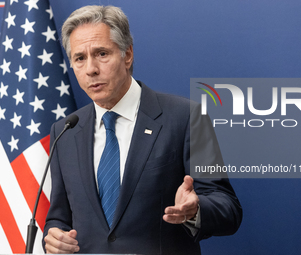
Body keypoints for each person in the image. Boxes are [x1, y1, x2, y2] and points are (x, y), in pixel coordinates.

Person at [43, 5, 242, 254]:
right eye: (79, 58)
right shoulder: (64, 131)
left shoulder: (186, 117)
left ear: (127, 55)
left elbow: (228, 208)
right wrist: (53, 237)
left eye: (101, 53)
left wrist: (196, 209)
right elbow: (58, 217)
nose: (91, 69)